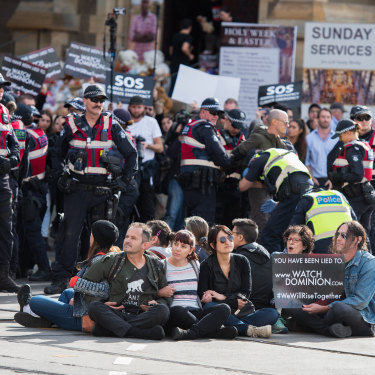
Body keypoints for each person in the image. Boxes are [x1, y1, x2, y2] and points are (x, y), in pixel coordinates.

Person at [45, 84, 137, 294]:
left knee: (101, 237)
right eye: (94, 99)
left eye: (101, 100)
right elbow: (56, 153)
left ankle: (97, 277)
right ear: (85, 101)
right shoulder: (71, 123)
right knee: (69, 234)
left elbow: (132, 155)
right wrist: (60, 175)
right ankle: (62, 279)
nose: (98, 103)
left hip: (102, 191)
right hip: (76, 189)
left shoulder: (111, 123)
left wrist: (124, 181)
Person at [13, 220, 120, 331]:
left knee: (35, 301)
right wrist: (79, 299)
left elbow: (104, 291)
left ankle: (27, 309)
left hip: (84, 317)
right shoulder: (109, 256)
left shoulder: (100, 261)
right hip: (89, 309)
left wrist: (77, 283)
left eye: (91, 234)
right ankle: (48, 320)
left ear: (95, 239)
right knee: (67, 293)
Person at [283, 221, 375, 338]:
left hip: (362, 318)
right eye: (338, 234)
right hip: (331, 313)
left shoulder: (369, 263)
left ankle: (308, 326)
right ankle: (329, 330)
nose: (338, 238)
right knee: (289, 302)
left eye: (344, 235)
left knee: (338, 308)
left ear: (357, 240)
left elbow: (360, 301)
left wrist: (324, 308)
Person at [85, 223, 171, 340]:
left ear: (145, 245)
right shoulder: (112, 260)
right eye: (127, 237)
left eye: (133, 238)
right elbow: (85, 283)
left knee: (163, 311)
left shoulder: (156, 265)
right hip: (117, 312)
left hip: (142, 315)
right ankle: (139, 332)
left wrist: (157, 303)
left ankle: (111, 329)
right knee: (94, 307)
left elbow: (166, 296)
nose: (127, 241)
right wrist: (101, 302)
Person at [198, 225, 278, 338]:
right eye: (222, 240)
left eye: (230, 238)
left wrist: (222, 297)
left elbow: (245, 292)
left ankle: (232, 327)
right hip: (220, 311)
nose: (228, 242)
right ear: (213, 245)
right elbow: (204, 298)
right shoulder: (206, 266)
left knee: (272, 314)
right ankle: (248, 330)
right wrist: (234, 301)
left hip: (242, 311)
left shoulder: (242, 260)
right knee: (210, 307)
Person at [159, 229, 237, 340]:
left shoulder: (195, 265)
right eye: (175, 244)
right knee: (178, 310)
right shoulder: (161, 265)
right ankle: (212, 332)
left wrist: (207, 294)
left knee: (224, 308)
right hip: (175, 313)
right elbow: (151, 292)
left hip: (196, 311)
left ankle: (190, 333)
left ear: (190, 250)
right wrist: (160, 292)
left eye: (183, 246)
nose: (177, 249)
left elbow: (203, 289)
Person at [239, 148, 314, 253]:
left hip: (292, 192)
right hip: (307, 190)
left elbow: (243, 186)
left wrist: (247, 174)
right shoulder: (281, 154)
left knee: (270, 234)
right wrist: (278, 204)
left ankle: (274, 267)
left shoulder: (257, 161)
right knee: (294, 231)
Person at [232, 109, 292, 236]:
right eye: (285, 122)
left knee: (269, 225)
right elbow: (237, 154)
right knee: (261, 225)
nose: (288, 125)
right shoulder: (258, 137)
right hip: (257, 188)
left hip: (272, 191)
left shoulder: (279, 142)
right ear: (275, 122)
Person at [178, 97, 233, 224]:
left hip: (190, 181)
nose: (216, 117)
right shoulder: (205, 127)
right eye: (213, 113)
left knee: (191, 223)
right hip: (203, 183)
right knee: (203, 224)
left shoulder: (190, 126)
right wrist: (236, 156)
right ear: (203, 111)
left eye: (218, 114)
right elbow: (222, 158)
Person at [328, 119, 375, 248]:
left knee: (353, 233)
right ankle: (368, 262)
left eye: (341, 135)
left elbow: (358, 175)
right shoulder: (364, 145)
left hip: (356, 196)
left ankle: (357, 263)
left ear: (348, 132)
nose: (340, 139)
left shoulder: (352, 148)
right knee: (365, 233)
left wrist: (338, 176)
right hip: (367, 193)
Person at [21, 103, 51, 282]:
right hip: (40, 187)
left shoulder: (26, 135)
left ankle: (44, 268)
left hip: (30, 189)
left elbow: (23, 162)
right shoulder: (40, 133)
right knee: (30, 231)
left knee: (32, 232)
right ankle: (25, 267)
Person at [127, 95, 163, 222]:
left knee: (147, 204)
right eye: (134, 107)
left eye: (139, 107)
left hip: (147, 168)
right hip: (130, 167)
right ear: (129, 107)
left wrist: (147, 145)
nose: (136, 110)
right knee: (129, 203)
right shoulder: (125, 121)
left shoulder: (151, 122)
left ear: (143, 108)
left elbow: (160, 147)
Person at [0, 73, 21, 293]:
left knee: (6, 228)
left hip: (2, 177)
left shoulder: (4, 111)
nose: (1, 90)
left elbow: (12, 142)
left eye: (2, 87)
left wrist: (14, 158)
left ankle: (3, 276)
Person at [290, 189, 356, 254]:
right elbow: (356, 223)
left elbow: (293, 229)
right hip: (349, 244)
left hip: (323, 247)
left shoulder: (307, 199)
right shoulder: (340, 196)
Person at [232, 219, 273, 311]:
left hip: (243, 309)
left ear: (240, 237)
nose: (230, 236)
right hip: (264, 308)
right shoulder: (267, 253)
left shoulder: (238, 258)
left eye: (232, 233)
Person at [216, 109, 246, 227]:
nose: (236, 130)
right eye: (234, 126)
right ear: (226, 120)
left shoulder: (243, 138)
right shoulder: (216, 135)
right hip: (220, 184)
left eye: (239, 127)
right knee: (218, 220)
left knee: (234, 221)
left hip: (237, 186)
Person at [305, 108, 337, 189]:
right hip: (314, 181)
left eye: (328, 117)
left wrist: (333, 179)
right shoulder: (309, 138)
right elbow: (306, 161)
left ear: (331, 119)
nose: (325, 119)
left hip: (333, 180)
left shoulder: (337, 138)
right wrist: (312, 178)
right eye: (323, 117)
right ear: (318, 118)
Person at [169, 18, 194, 95]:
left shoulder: (175, 36)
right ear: (190, 27)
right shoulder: (188, 37)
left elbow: (171, 51)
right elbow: (184, 48)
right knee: (182, 86)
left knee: (173, 85)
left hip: (174, 63)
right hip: (183, 64)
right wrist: (190, 55)